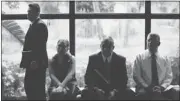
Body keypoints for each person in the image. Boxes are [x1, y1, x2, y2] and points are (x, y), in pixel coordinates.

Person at [133, 33, 179, 100]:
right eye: (149, 40)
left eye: (153, 40)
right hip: (145, 88)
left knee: (176, 92)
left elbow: (169, 76)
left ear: (159, 43)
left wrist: (162, 87)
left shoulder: (165, 58)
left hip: (162, 89)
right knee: (141, 95)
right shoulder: (139, 57)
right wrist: (147, 87)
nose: (150, 42)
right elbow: (136, 75)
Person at [20, 3, 48, 100]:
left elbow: (40, 46)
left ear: (37, 13)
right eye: (27, 11)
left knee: (36, 90)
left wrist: (35, 61)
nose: (27, 13)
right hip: (32, 63)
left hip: (36, 64)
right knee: (31, 89)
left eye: (30, 11)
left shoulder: (40, 25)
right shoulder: (35, 25)